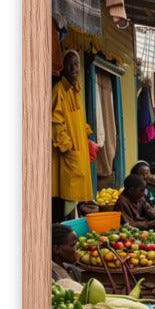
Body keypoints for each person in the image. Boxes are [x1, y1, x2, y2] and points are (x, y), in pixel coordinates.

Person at [52, 50, 94, 212]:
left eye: (77, 64)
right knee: (67, 199)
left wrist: (86, 135)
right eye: (71, 64)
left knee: (76, 199)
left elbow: (77, 120)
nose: (75, 68)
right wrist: (67, 146)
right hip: (69, 154)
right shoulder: (58, 91)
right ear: (63, 67)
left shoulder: (75, 90)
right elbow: (55, 123)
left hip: (79, 151)